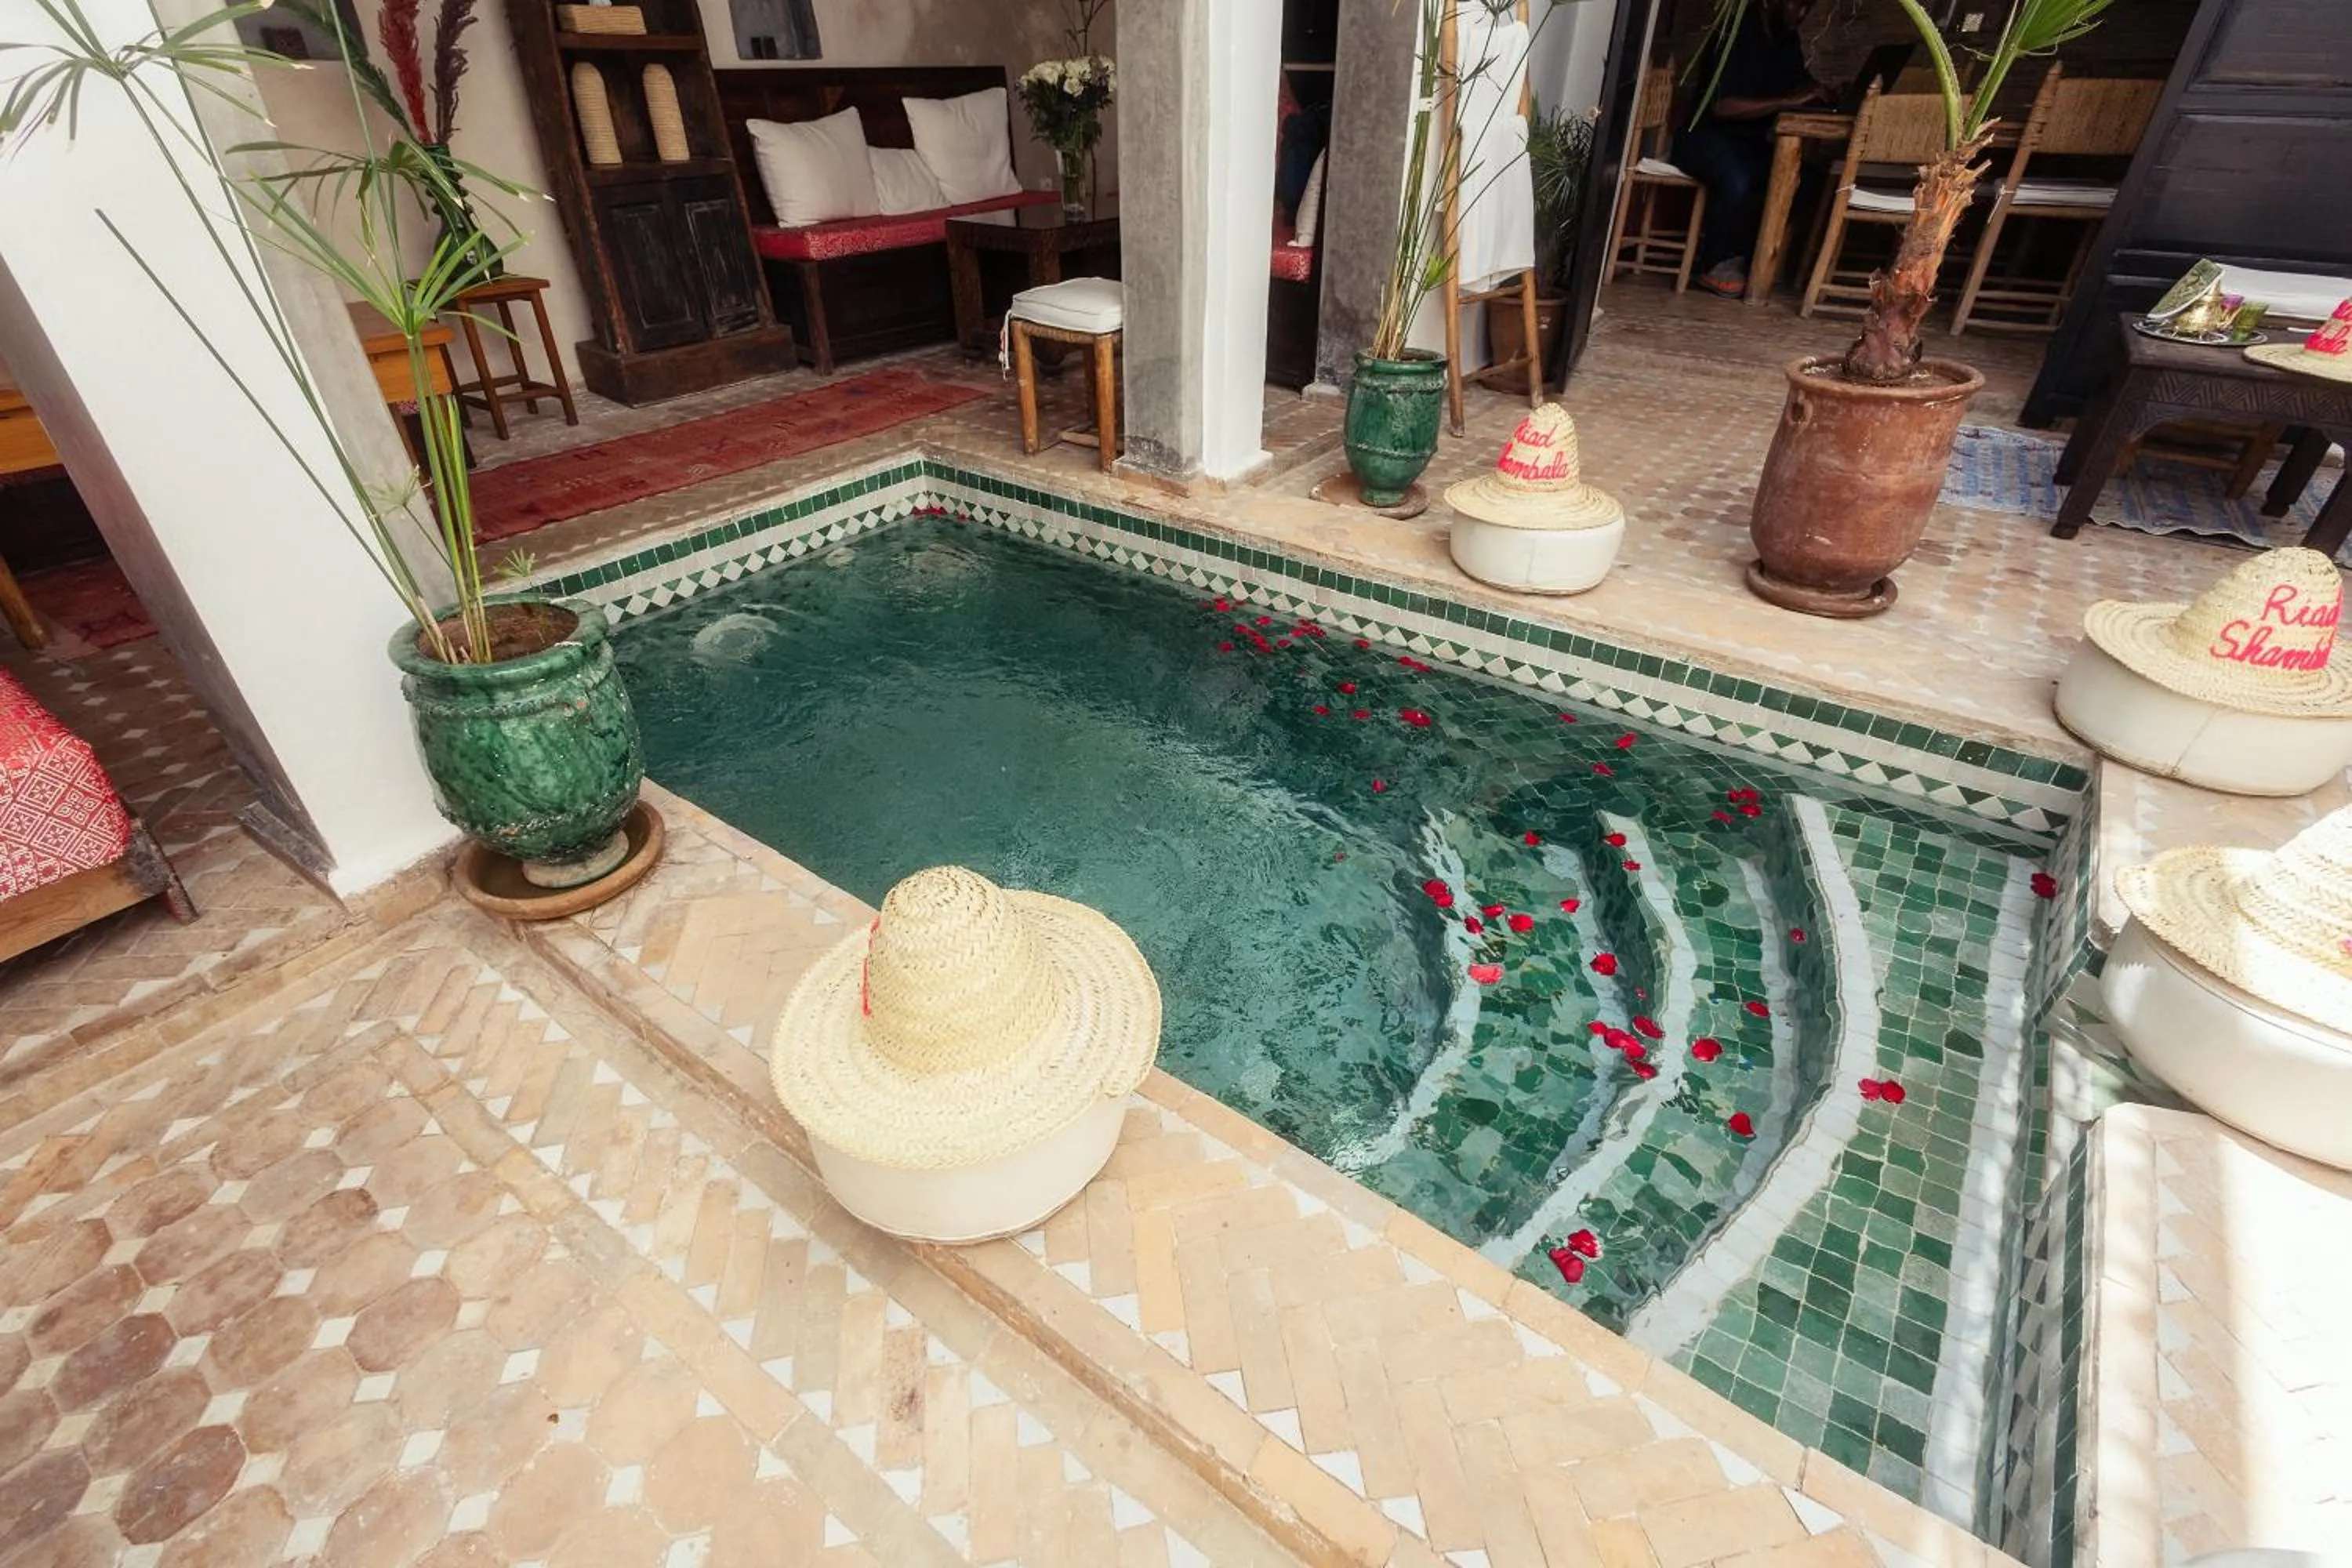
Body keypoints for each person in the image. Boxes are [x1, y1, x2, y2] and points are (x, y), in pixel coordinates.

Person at [1671, 0, 1831, 298]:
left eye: (1808, 7)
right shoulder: (1732, 34)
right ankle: (1714, 264)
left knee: (1809, 180)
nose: (1802, 14)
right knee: (1737, 179)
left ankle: (1750, 255)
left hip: (1749, 145)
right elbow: (1722, 107)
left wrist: (1823, 92)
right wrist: (1787, 101)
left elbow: (1801, 84)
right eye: (1797, 5)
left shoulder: (1787, 39)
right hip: (1703, 138)